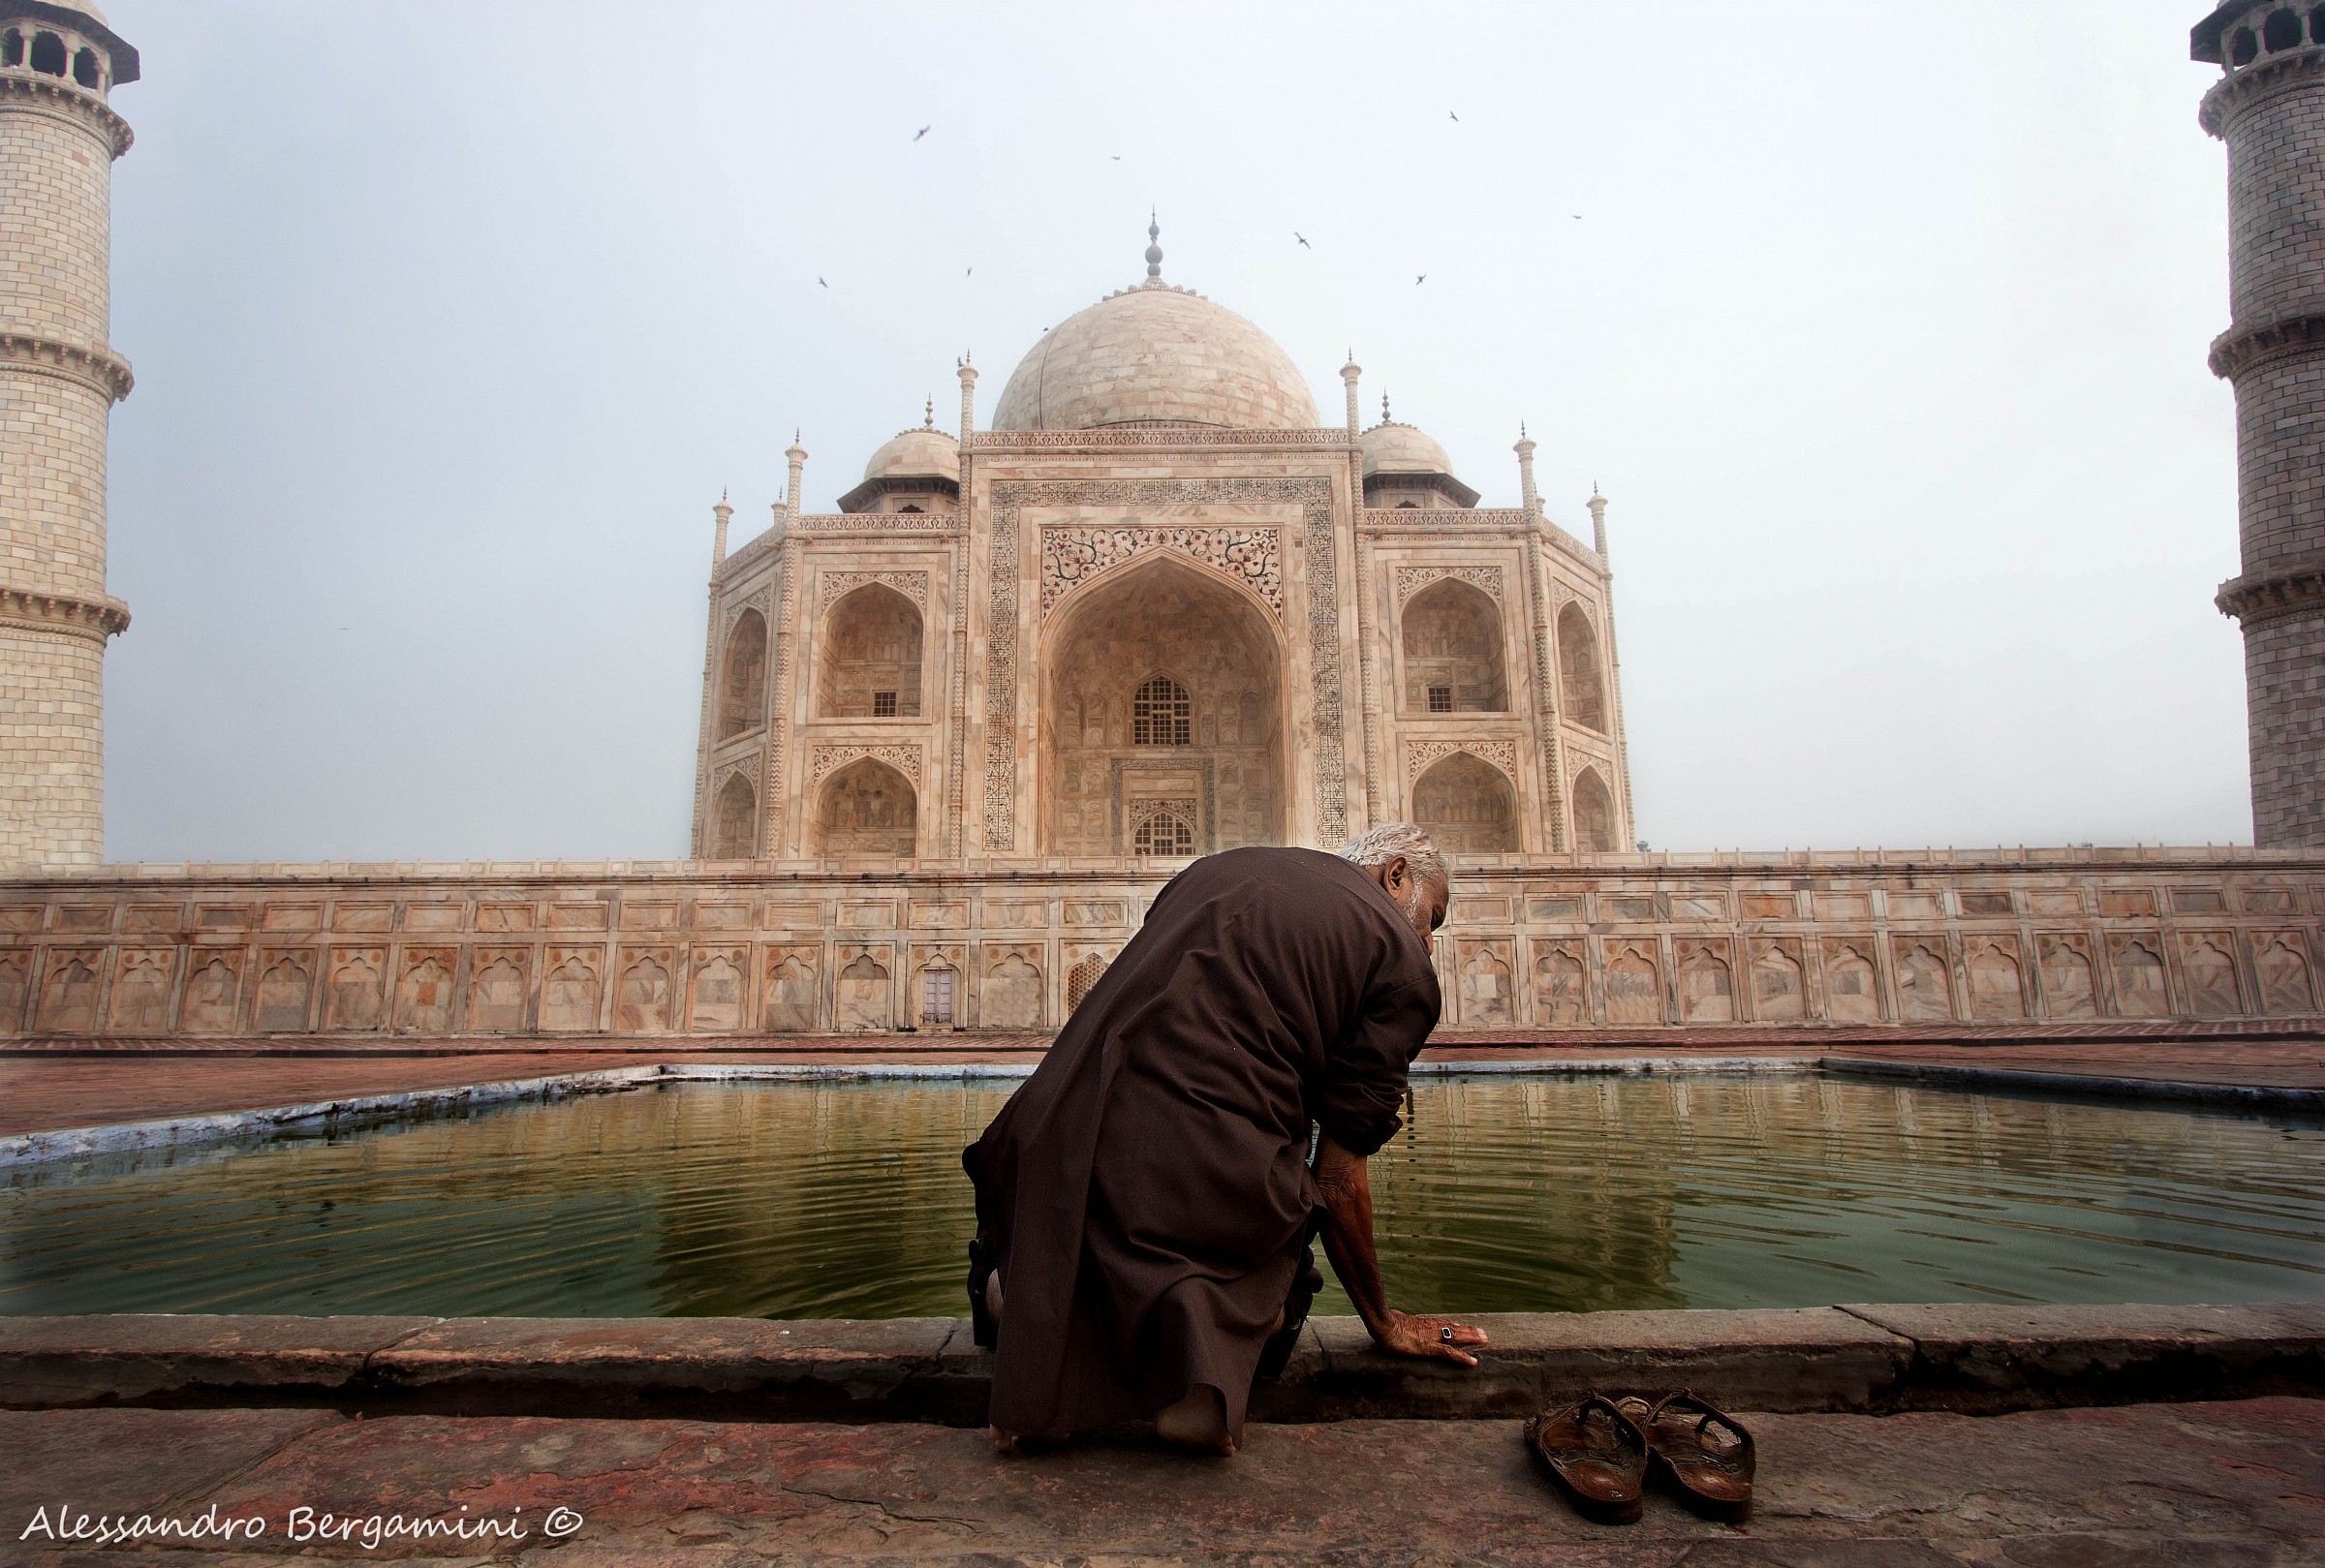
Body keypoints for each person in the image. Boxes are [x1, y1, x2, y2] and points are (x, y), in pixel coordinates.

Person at [960, 823, 1488, 1456]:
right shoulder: (1397, 961)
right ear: (1395, 873)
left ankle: (1016, 1307)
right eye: (1434, 917)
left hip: (1055, 1150)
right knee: (1289, 1273)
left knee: (1063, 1244)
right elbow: (1339, 1179)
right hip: (1214, 1191)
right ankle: (1202, 1375)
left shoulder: (1218, 870)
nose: (1428, 942)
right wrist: (1383, 1319)